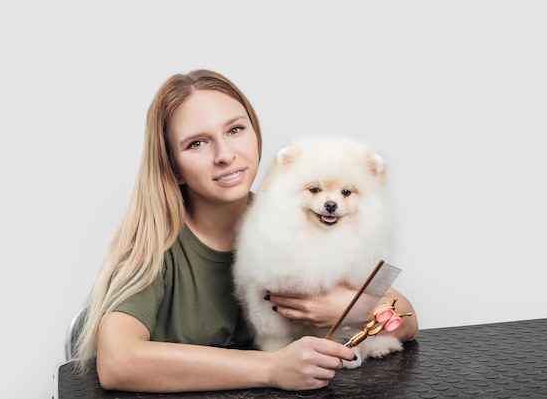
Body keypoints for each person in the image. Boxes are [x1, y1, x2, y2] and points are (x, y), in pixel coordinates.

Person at [73, 69, 419, 393]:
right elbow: (117, 363)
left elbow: (406, 319)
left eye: (235, 130)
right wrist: (271, 368)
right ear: (174, 167)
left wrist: (348, 306)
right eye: (197, 143)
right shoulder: (153, 245)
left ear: (256, 135)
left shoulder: (299, 219)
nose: (225, 155)